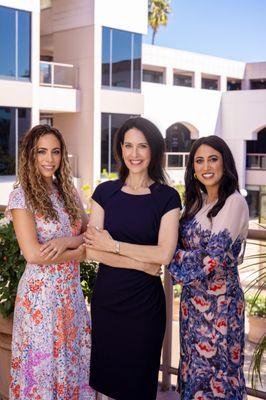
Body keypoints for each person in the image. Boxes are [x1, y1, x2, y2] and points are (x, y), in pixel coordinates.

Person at [83, 116, 182, 400]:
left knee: (139, 386)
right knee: (107, 384)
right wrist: (142, 262)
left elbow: (163, 254)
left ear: (153, 151)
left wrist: (113, 246)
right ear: (120, 149)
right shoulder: (105, 192)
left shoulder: (167, 198)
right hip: (108, 302)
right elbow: (92, 250)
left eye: (142, 146)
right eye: (128, 145)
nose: (134, 154)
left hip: (144, 309)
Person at [6, 125, 95, 400]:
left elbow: (88, 233)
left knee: (73, 365)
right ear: (30, 155)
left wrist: (65, 243)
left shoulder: (67, 191)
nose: (49, 159)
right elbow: (33, 254)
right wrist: (80, 253)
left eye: (55, 152)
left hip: (71, 296)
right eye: (42, 151)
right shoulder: (22, 197)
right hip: (40, 300)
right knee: (42, 371)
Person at [168, 135, 249, 400]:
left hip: (222, 307)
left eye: (213, 159)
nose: (206, 166)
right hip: (192, 307)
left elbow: (209, 260)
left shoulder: (234, 202)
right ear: (193, 168)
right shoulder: (196, 203)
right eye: (199, 160)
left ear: (225, 163)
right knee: (194, 377)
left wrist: (168, 255)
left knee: (220, 378)